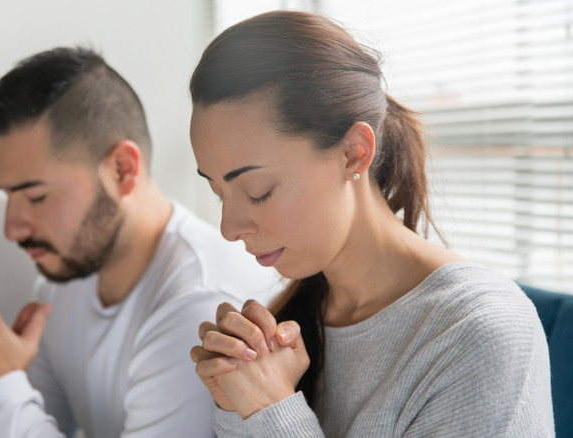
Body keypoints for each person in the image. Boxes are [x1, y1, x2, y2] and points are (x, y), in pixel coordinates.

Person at [188, 10, 554, 437]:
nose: (228, 229)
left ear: (354, 153)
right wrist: (237, 405)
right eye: (217, 192)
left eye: (258, 190)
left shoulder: (477, 334)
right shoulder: (281, 331)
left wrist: (270, 410)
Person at [0, 46, 278, 438]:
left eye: (36, 197)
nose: (12, 228)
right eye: (7, 195)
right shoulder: (65, 275)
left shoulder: (198, 307)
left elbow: (10, 418)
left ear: (122, 170)